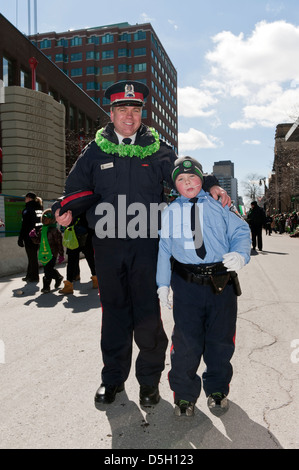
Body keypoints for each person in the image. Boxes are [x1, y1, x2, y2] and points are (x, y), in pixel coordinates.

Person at [53, 80, 231, 409]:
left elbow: (183, 174)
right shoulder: (95, 150)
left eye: (135, 110)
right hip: (107, 246)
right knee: (115, 315)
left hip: (149, 246)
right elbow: (77, 188)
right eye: (123, 109)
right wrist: (63, 209)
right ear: (112, 113)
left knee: (148, 316)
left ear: (140, 114)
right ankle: (112, 380)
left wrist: (210, 185)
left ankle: (149, 382)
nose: (130, 116)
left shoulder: (157, 148)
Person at [156, 156, 251, 416]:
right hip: (186, 285)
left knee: (220, 340)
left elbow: (240, 232)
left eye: (193, 177)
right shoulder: (170, 212)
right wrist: (163, 285)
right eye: (182, 179)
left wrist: (241, 254)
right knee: (185, 342)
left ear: (202, 179)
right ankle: (184, 396)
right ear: (175, 186)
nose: (188, 183)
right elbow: (164, 250)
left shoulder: (220, 204)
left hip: (221, 284)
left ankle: (217, 389)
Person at [58, 213, 98, 294]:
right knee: (90, 259)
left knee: (71, 261)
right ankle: (96, 280)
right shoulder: (86, 207)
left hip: (73, 235)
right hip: (86, 235)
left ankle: (69, 285)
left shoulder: (70, 208)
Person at [30, 209, 64, 293]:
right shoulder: (42, 230)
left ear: (52, 219)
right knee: (48, 268)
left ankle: (46, 287)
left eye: (47, 218)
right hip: (43, 252)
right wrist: (33, 236)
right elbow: (38, 241)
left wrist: (61, 254)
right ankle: (58, 277)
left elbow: (59, 243)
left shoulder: (55, 231)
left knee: (47, 270)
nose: (45, 220)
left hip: (52, 253)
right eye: (44, 218)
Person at [18, 192, 43, 282]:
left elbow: (24, 226)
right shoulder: (39, 208)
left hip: (29, 237)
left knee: (32, 257)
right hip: (37, 236)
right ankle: (29, 275)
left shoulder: (28, 209)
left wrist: (20, 238)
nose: (25, 199)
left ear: (29, 198)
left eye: (26, 197)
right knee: (32, 256)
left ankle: (34, 277)